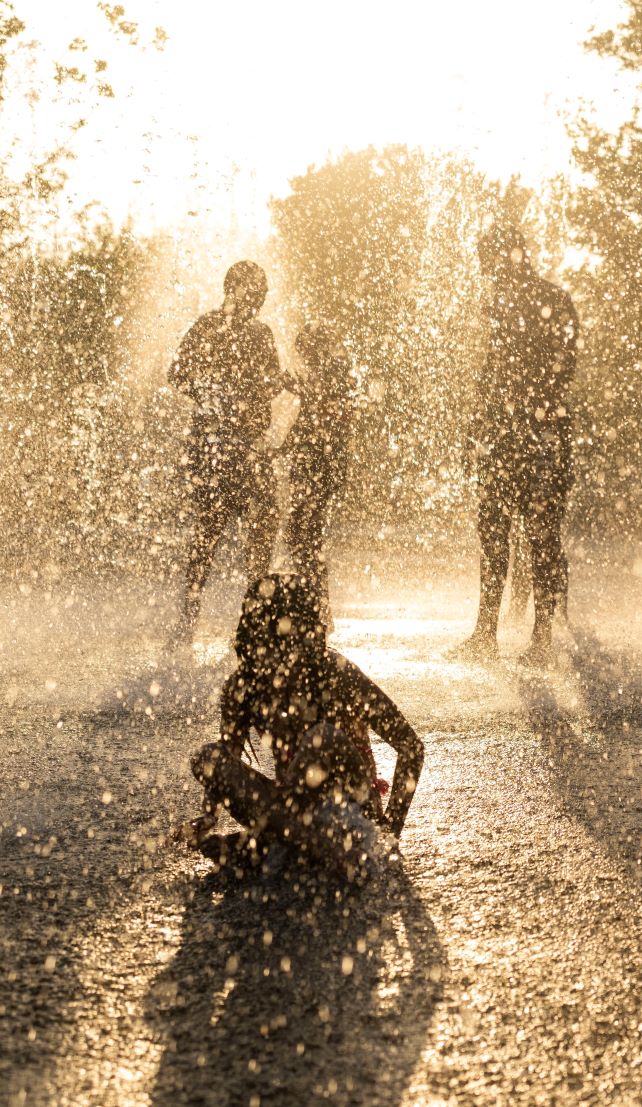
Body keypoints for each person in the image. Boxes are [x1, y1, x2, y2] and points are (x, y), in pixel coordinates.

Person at [180, 575, 424, 879]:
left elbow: (411, 747)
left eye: (282, 638)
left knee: (321, 738)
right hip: (287, 813)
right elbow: (226, 761)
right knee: (208, 758)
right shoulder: (243, 686)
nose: (275, 653)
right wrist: (207, 816)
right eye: (265, 639)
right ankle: (289, 845)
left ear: (303, 633)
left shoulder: (337, 673)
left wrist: (390, 831)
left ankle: (268, 846)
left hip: (350, 809)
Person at [451, 219, 579, 664]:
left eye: (489, 261)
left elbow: (562, 369)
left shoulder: (548, 301)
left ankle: (538, 637)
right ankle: (489, 632)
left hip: (533, 434)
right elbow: (494, 372)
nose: (485, 270)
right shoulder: (515, 301)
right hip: (520, 434)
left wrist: (519, 405)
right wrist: (477, 428)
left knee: (533, 536)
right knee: (502, 532)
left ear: (508, 256)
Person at [166, 261, 285, 647]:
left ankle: (249, 622)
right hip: (220, 446)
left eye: (264, 290)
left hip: (243, 445)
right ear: (233, 290)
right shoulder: (210, 327)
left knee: (255, 528)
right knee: (213, 530)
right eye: (255, 289)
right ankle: (191, 619)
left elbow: (267, 386)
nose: (261, 297)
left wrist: (264, 389)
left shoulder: (257, 333)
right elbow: (178, 375)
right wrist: (219, 400)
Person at [282, 325, 359, 629]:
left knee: (305, 535)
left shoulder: (333, 372)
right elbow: (309, 419)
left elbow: (323, 415)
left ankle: (320, 610)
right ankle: (318, 606)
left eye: (305, 352)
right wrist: (284, 448)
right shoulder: (328, 372)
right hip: (317, 464)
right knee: (302, 534)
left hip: (319, 465)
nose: (304, 358)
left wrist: (302, 389)